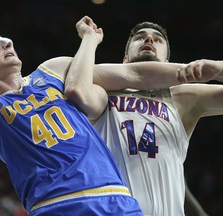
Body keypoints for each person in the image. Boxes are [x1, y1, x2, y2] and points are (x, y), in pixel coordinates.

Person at [0, 1, 201, 215]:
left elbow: (133, 74)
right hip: (58, 206)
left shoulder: (52, 70)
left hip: (116, 199)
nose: (8, 42)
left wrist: (202, 69)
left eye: (5, 39)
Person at [65, 18, 223, 215]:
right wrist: (89, 38)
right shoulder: (104, 95)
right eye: (140, 38)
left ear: (167, 63)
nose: (148, 39)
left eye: (157, 40)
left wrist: (218, 68)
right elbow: (76, 91)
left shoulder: (183, 98)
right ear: (124, 60)